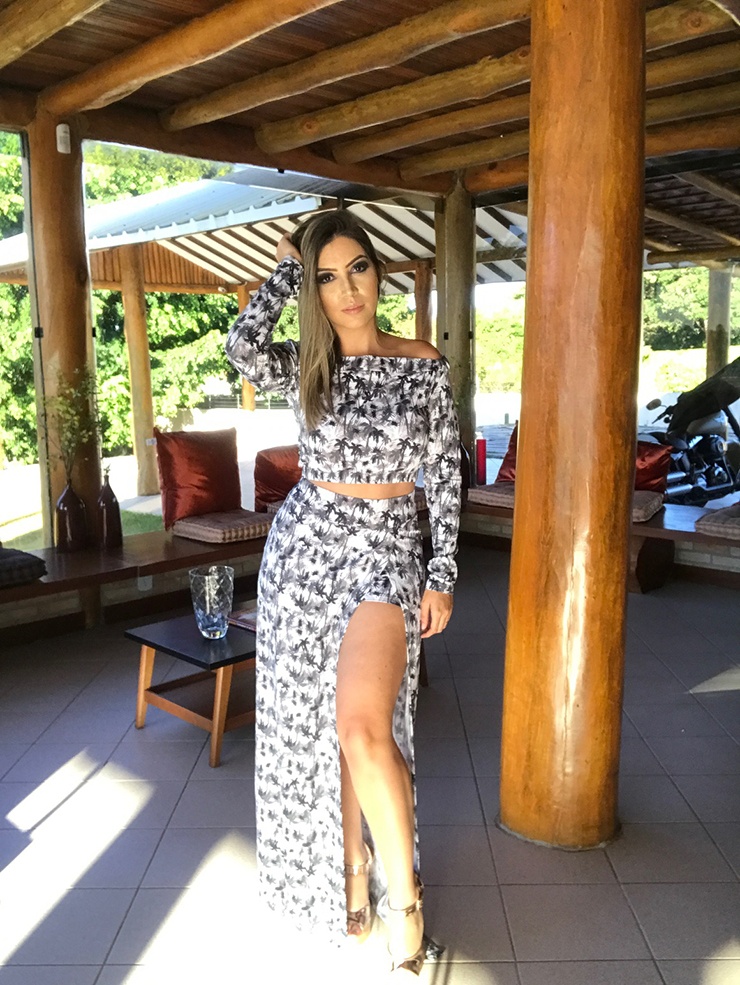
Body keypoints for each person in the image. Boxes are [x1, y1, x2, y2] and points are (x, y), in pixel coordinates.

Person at [225, 209, 461, 977]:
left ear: (378, 271)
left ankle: (406, 904)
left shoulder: (422, 361)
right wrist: (285, 272)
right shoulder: (305, 364)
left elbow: (445, 473)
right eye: (326, 277)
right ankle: (351, 871)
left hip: (387, 550)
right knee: (321, 730)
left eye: (356, 267)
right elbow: (241, 347)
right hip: (305, 552)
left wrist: (443, 571)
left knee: (364, 726)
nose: (346, 288)